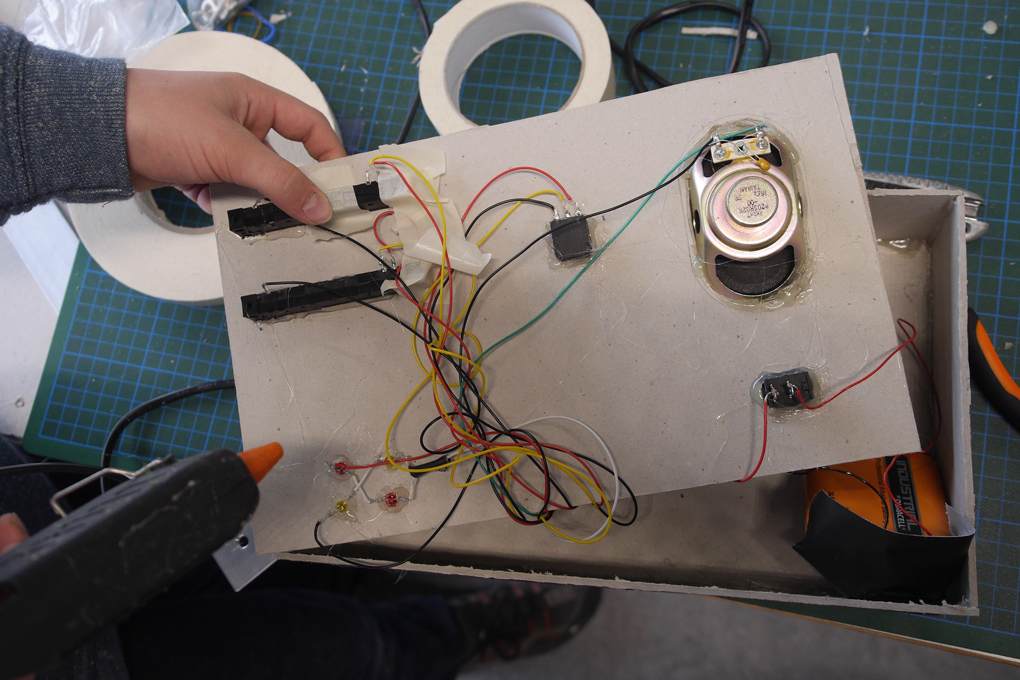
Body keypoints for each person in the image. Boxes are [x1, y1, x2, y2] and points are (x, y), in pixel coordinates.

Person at [0, 25, 600, 680]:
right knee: (336, 652)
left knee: (270, 550)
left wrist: (79, 115)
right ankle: (447, 634)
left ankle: (359, 576)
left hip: (38, 506)